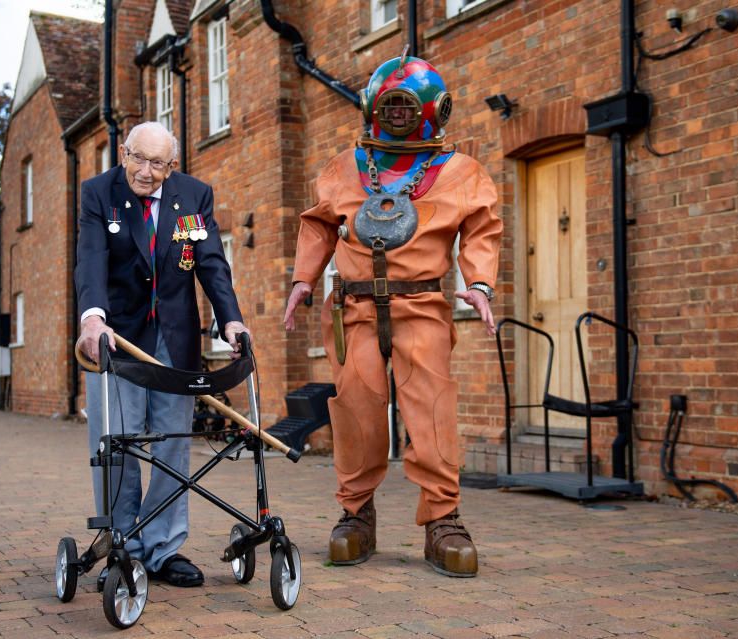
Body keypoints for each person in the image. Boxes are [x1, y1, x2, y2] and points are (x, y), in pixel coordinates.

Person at [283, 55, 502, 577]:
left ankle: (443, 520)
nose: (398, 116)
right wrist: (302, 280)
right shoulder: (344, 167)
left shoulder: (461, 173)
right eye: (391, 107)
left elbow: (481, 230)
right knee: (356, 408)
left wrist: (478, 283)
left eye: (407, 107)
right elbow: (318, 227)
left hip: (422, 304)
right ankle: (356, 514)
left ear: (433, 110)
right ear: (373, 108)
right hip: (354, 306)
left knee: (430, 408)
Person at [76, 121, 249, 588]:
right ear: (124, 153)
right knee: (118, 441)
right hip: (117, 341)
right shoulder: (98, 193)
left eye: (158, 164)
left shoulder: (194, 195)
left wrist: (229, 317)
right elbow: (90, 259)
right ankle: (121, 544)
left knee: (173, 444)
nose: (146, 172)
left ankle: (162, 548)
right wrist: (92, 318)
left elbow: (211, 261)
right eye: (138, 158)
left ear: (172, 166)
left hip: (175, 341)